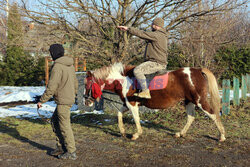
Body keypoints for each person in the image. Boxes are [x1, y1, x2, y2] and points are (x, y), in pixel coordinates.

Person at [37, 44, 78, 160]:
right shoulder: (69, 65)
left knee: (65, 126)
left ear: (53, 53)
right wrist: (73, 95)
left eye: (50, 52)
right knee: (55, 121)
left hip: (63, 101)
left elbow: (52, 86)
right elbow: (75, 83)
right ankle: (61, 147)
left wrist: (42, 100)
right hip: (67, 99)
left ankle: (71, 151)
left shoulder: (57, 66)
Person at [117, 18, 168, 99]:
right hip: (157, 62)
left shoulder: (157, 35)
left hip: (156, 63)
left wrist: (128, 29)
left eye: (152, 24)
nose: (151, 25)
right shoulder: (161, 35)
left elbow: (142, 33)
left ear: (155, 25)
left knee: (137, 70)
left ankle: (145, 91)